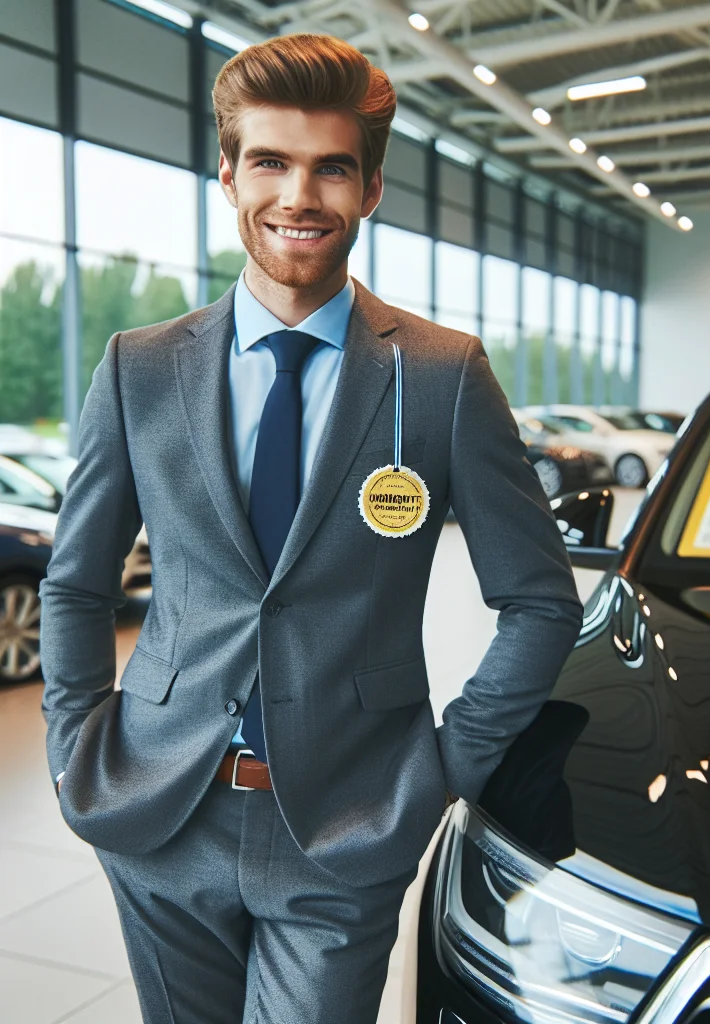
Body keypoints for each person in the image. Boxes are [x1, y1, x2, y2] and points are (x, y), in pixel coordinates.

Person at [40, 33, 582, 1024]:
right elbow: (76, 582)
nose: (299, 195)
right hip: (160, 804)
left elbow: (539, 603)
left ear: (370, 188)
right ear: (228, 175)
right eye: (270, 162)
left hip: (349, 815)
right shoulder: (140, 366)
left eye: (331, 167)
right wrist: (76, 747)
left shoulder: (439, 373)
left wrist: (440, 768)